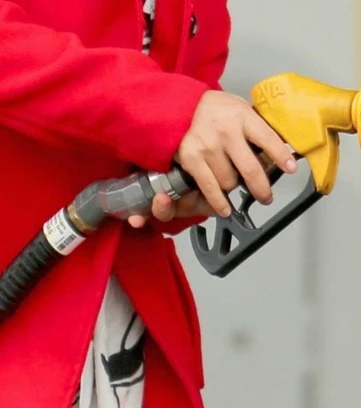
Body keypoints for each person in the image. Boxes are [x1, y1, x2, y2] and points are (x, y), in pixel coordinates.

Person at [0, 0, 296, 407]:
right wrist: (169, 111)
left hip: (121, 329)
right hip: (24, 317)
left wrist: (196, 166)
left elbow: (182, 99)